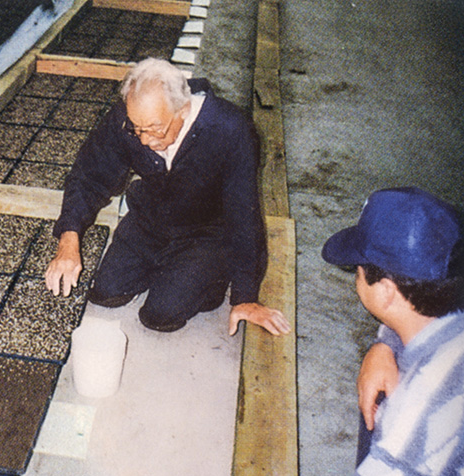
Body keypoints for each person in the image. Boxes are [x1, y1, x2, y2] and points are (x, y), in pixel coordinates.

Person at [278, 187, 464, 476]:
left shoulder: (419, 420)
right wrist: (385, 343)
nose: (355, 278)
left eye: (358, 272)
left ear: (386, 292)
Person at [44, 58, 290, 336]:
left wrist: (246, 296)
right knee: (106, 292)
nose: (145, 140)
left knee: (160, 315)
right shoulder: (126, 119)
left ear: (183, 110)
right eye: (137, 129)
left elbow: (243, 213)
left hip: (206, 233)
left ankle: (207, 277)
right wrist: (69, 237)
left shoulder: (232, 130)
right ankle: (166, 271)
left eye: (154, 129)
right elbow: (89, 175)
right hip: (151, 221)